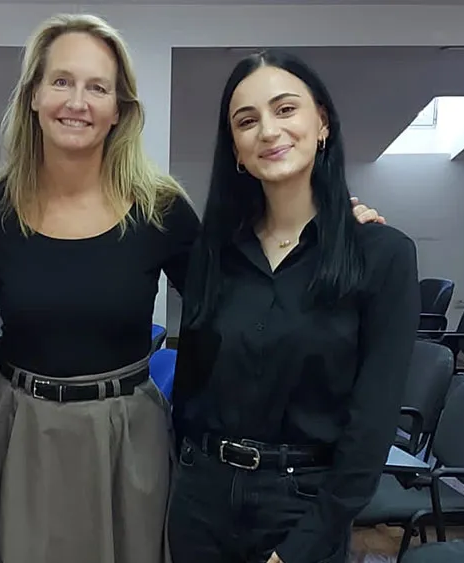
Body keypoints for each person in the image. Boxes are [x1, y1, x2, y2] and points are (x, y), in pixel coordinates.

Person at [0, 15, 385, 563]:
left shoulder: (160, 209)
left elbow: (235, 291)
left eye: (98, 87)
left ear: (120, 108)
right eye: (61, 81)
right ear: (33, 94)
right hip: (23, 430)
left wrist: (328, 220)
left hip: (129, 435)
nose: (77, 101)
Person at [166, 50, 420, 563]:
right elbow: (192, 383)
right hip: (201, 501)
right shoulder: (214, 253)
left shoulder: (381, 254)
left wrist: (308, 541)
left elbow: (371, 424)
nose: (267, 130)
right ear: (236, 149)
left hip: (302, 505)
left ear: (321, 122)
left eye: (285, 110)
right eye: (247, 120)